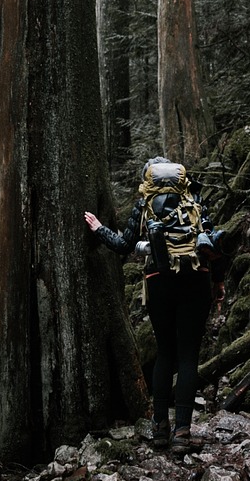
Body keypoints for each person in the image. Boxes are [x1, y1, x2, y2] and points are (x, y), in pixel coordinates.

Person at [84, 156, 227, 452]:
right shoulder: (193, 198)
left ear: (149, 178)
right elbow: (212, 241)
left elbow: (124, 245)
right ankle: (182, 434)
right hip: (195, 278)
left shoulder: (145, 203)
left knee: (164, 353)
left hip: (158, 279)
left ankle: (159, 429)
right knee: (188, 356)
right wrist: (219, 281)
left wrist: (99, 229)